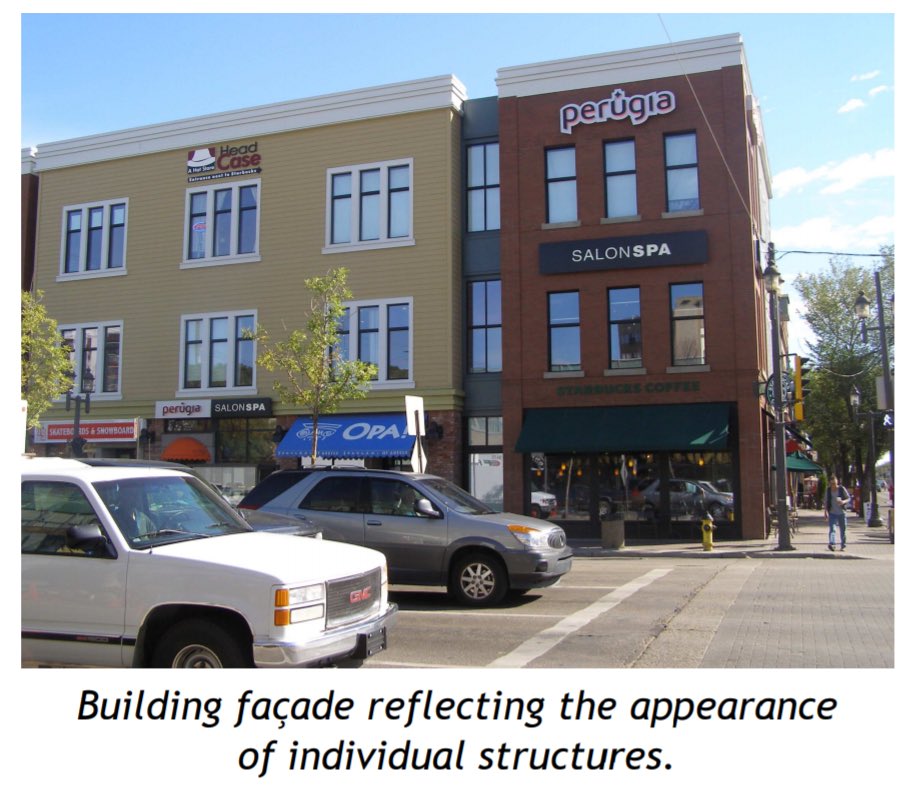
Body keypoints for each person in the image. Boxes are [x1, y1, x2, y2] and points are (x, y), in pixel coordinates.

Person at [824, 474, 850, 551]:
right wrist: (825, 512)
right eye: (832, 484)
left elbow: (849, 498)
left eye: (835, 484)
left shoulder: (841, 489)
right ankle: (832, 544)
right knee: (832, 529)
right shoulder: (828, 490)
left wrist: (843, 501)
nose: (833, 486)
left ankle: (843, 545)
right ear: (829, 483)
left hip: (842, 512)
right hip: (832, 513)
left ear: (837, 482)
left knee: (843, 529)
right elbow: (826, 502)